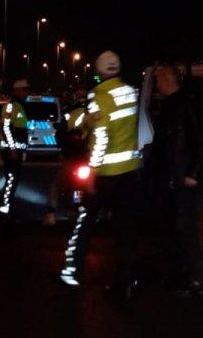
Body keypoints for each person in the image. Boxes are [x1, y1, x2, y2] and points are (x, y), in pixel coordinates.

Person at [60, 51, 143, 298]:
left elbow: (101, 137)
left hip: (106, 173)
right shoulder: (130, 92)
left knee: (85, 220)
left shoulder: (99, 97)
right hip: (129, 171)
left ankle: (72, 271)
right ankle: (126, 279)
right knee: (125, 228)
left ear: (98, 71)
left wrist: (92, 171)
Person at [147, 64, 203, 296]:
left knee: (186, 227)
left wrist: (193, 173)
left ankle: (196, 278)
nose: (157, 86)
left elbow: (199, 140)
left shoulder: (184, 105)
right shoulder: (172, 105)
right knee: (176, 227)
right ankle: (185, 274)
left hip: (181, 176)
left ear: (167, 80)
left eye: (158, 81)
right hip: (173, 176)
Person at [0, 79, 30, 216]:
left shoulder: (20, 106)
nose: (27, 93)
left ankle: (7, 207)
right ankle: (4, 209)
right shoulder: (11, 106)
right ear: (17, 91)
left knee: (13, 180)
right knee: (11, 179)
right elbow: (6, 128)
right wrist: (12, 149)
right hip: (11, 151)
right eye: (25, 90)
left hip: (16, 149)